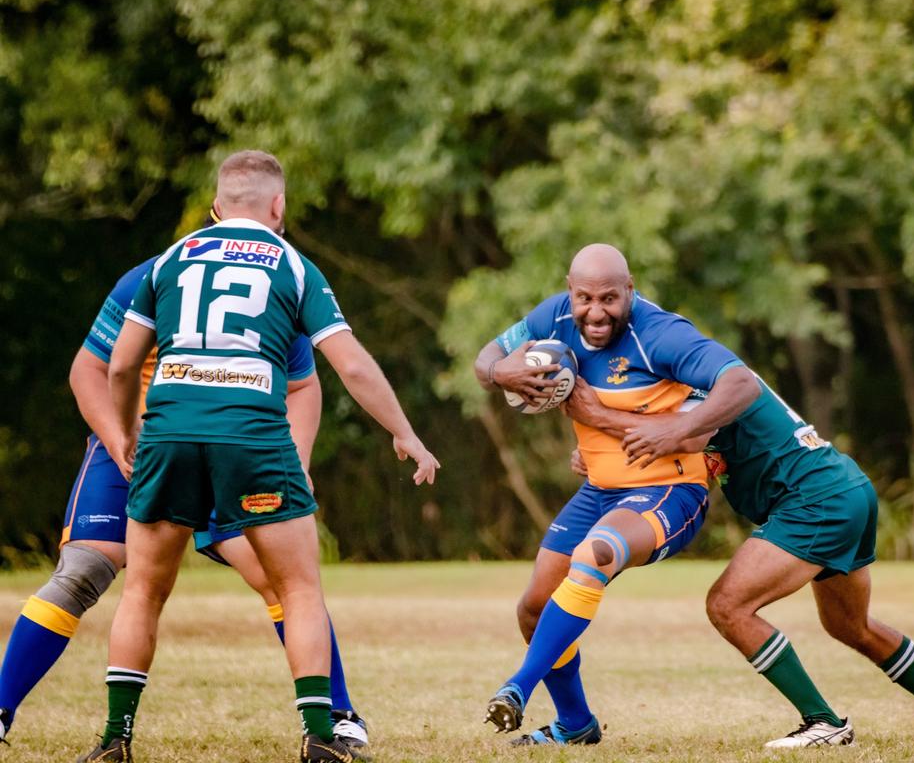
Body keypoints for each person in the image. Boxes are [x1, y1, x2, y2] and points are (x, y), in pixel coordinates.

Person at [75, 150, 438, 763]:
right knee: (298, 589)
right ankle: (322, 737)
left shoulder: (167, 262)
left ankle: (115, 740)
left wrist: (128, 431)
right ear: (279, 207)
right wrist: (404, 432)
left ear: (216, 207)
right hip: (253, 437)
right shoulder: (293, 266)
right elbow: (347, 363)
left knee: (143, 591)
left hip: (169, 433)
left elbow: (119, 363)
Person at [561, 246, 914, 747]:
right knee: (851, 627)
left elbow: (684, 436)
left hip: (815, 498)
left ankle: (826, 724)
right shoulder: (684, 382)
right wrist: (599, 455)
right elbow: (662, 443)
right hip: (844, 488)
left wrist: (598, 417)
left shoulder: (696, 383)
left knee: (728, 605)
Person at [0, 236, 367, 754]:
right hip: (139, 442)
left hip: (229, 443)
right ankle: (1, 707)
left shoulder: (275, 283)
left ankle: (338, 715)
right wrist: (117, 438)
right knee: (83, 569)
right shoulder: (152, 274)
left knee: (280, 576)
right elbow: (91, 368)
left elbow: (303, 384)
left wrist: (298, 462)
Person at [475, 243, 756, 745]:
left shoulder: (661, 335)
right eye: (585, 298)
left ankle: (518, 686)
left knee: (595, 554)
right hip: (601, 491)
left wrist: (674, 432)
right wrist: (503, 373)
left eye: (610, 298)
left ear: (630, 290)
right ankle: (576, 725)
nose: (596, 312)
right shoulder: (555, 317)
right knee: (534, 608)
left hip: (669, 490)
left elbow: (741, 384)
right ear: (569, 291)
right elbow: (486, 359)